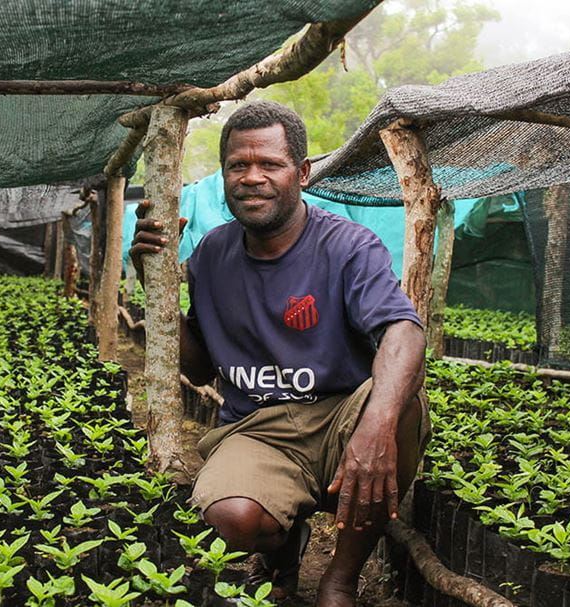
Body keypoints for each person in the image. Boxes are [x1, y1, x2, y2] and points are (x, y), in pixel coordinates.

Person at [129, 100, 430, 607]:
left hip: (341, 419)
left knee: (401, 408)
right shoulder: (211, 255)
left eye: (270, 164)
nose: (252, 177)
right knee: (234, 519)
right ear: (224, 175)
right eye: (238, 166)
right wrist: (152, 286)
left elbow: (403, 329)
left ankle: (339, 579)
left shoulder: (348, 246)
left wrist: (376, 425)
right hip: (258, 426)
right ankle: (282, 553)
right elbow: (201, 366)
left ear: (302, 172)